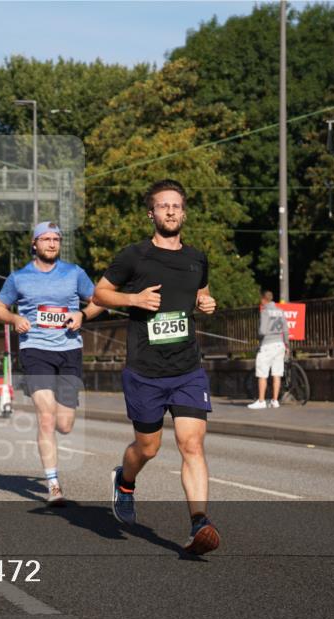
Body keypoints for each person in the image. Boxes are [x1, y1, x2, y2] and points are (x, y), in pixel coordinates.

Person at [92, 178, 220, 555]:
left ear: (184, 212)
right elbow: (99, 293)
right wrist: (133, 298)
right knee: (147, 447)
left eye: (176, 206)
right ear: (151, 213)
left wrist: (206, 303)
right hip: (145, 370)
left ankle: (200, 522)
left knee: (191, 444)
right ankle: (125, 481)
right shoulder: (134, 256)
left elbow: (202, 292)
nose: (170, 211)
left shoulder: (197, 258)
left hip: (186, 367)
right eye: (163, 206)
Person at [0, 222, 104, 504]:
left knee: (64, 424)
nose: (52, 244)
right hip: (35, 348)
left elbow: (100, 300)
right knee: (46, 417)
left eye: (56, 239)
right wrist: (15, 319)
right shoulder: (19, 278)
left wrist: (83, 316)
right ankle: (53, 484)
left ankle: (52, 457)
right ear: (34, 244)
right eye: (46, 239)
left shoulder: (74, 273)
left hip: (69, 349)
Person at [248, 289, 289, 409]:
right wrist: (286, 345)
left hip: (267, 345)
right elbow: (286, 330)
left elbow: (262, 331)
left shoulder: (265, 311)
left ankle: (261, 401)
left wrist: (258, 338)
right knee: (277, 373)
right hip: (279, 344)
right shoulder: (280, 311)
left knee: (262, 373)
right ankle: (275, 400)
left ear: (263, 299)